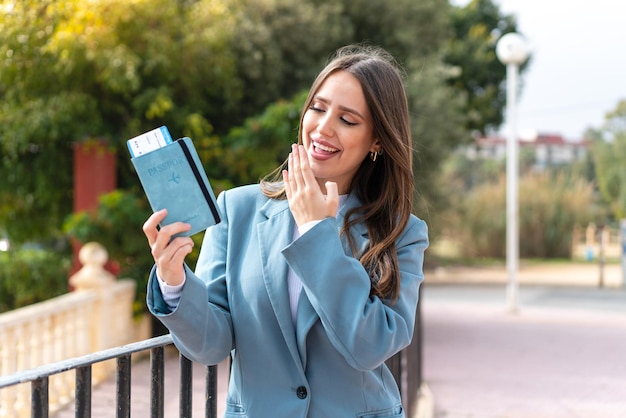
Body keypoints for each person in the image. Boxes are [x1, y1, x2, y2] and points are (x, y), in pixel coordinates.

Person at [143, 44, 429, 418]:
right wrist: (174, 281)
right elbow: (211, 345)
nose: (323, 128)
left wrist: (315, 231)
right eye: (318, 107)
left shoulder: (402, 232)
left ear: (377, 140)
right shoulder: (237, 209)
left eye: (348, 119)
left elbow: (370, 346)